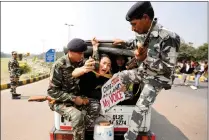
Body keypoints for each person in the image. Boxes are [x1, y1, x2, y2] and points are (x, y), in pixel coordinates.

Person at [112, 2, 180, 140]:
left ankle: (129, 137)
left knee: (140, 109)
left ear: (145, 18)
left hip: (158, 78)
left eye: (134, 24)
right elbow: (137, 42)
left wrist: (146, 58)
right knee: (120, 76)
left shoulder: (169, 37)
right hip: (144, 72)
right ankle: (127, 96)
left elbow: (168, 67)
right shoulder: (143, 32)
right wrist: (123, 42)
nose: (132, 28)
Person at [47, 38, 97, 140]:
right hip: (59, 101)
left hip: (76, 97)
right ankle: (78, 133)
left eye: (83, 53)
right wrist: (74, 98)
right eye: (79, 53)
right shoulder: (58, 66)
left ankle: (79, 129)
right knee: (77, 116)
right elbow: (52, 92)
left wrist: (95, 48)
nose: (82, 56)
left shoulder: (80, 62)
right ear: (70, 52)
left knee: (95, 106)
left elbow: (94, 64)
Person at [79, 38, 112, 128]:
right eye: (104, 63)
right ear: (98, 63)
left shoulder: (108, 79)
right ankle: (81, 127)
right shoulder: (87, 73)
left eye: (109, 65)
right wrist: (95, 48)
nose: (106, 66)